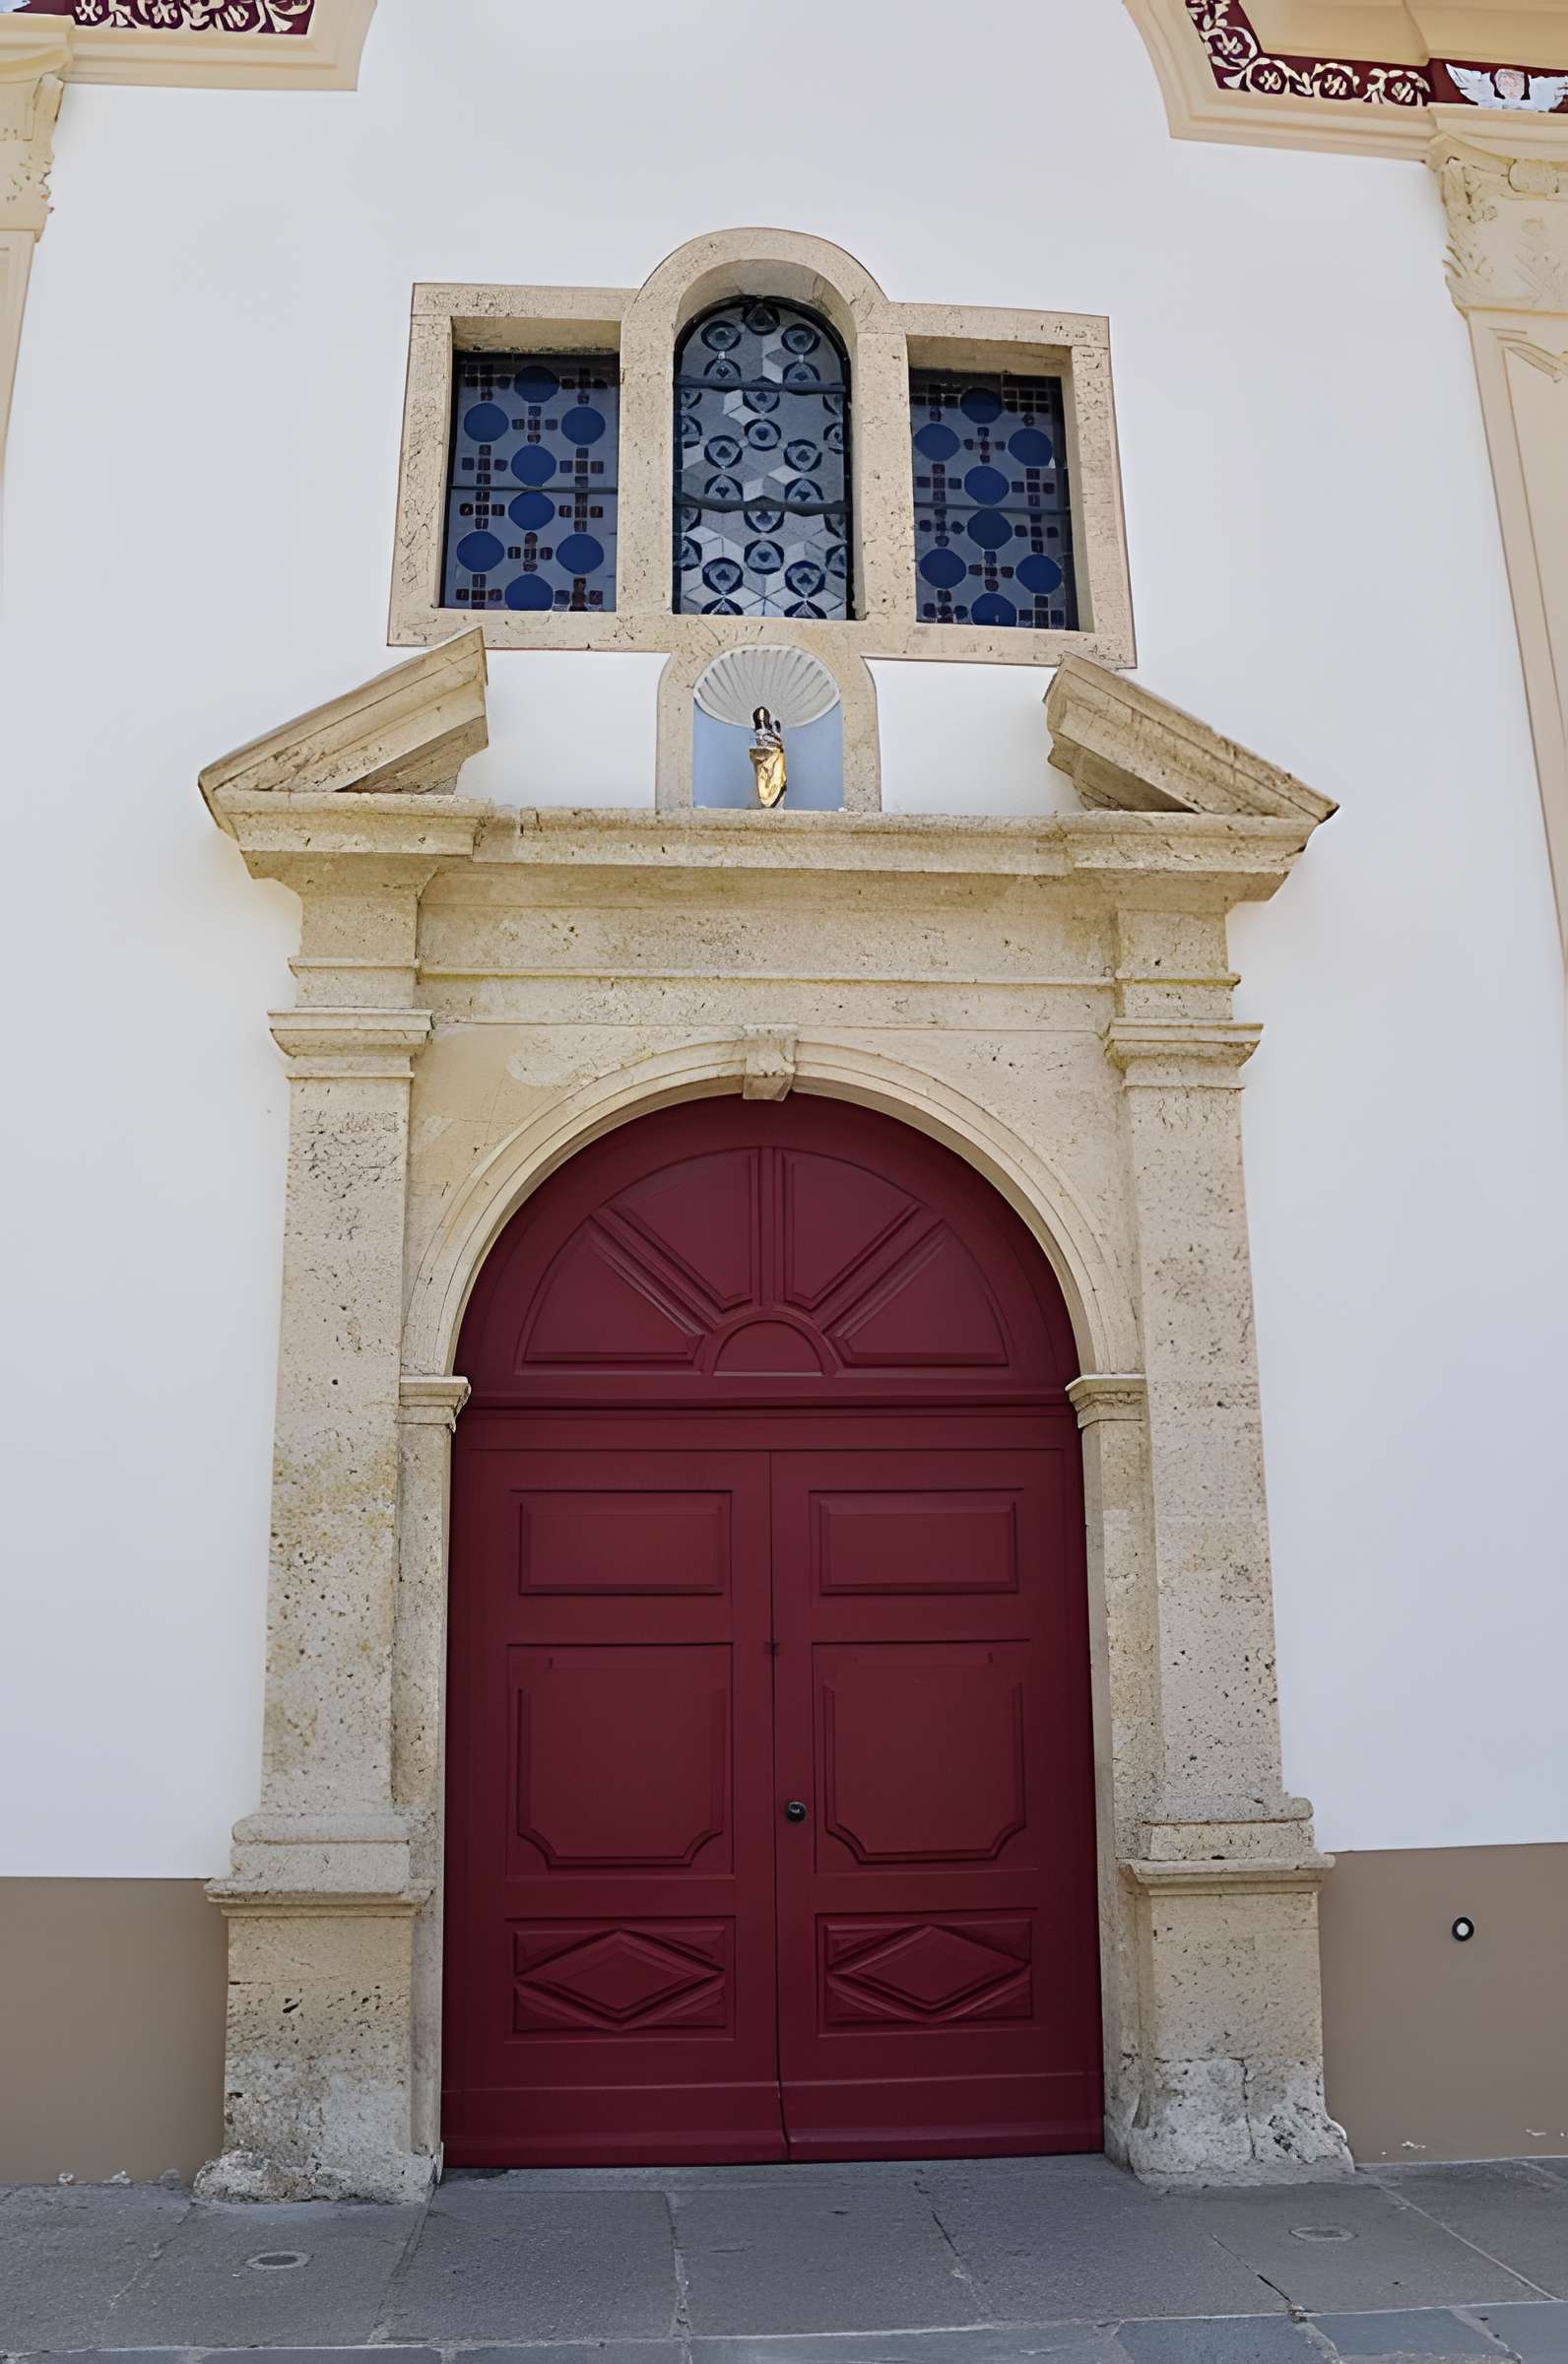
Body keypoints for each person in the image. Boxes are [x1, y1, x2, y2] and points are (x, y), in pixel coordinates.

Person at [749, 705, 787, 808]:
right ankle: (769, 803)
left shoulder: (767, 732)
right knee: (766, 781)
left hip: (773, 757)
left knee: (773, 781)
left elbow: (777, 742)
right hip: (767, 757)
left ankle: (771, 803)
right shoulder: (762, 734)